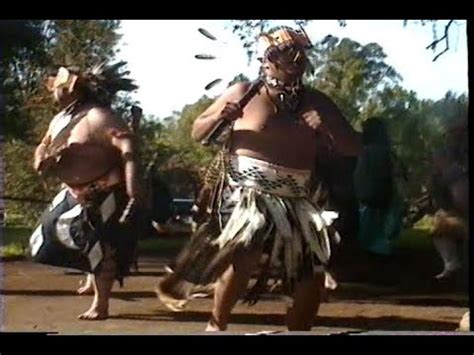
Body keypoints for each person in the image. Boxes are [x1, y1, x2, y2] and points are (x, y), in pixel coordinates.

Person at [156, 26, 361, 331]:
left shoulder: (318, 101)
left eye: (299, 54)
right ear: (266, 59)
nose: (295, 59)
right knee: (245, 252)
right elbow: (198, 132)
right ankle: (217, 325)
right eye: (284, 53)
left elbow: (353, 147)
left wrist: (328, 129)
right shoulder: (242, 93)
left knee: (310, 275)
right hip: (246, 196)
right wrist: (219, 117)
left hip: (297, 200)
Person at [29, 62, 141, 320]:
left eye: (57, 87)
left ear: (70, 90)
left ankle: (100, 305)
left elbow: (128, 146)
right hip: (71, 191)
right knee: (51, 235)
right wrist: (41, 158)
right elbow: (44, 143)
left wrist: (133, 188)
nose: (53, 92)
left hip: (102, 191)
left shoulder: (98, 117)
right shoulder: (61, 118)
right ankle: (91, 281)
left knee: (100, 248)